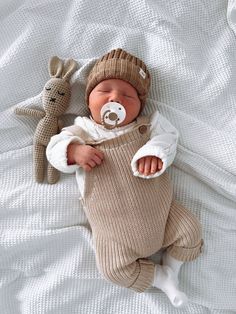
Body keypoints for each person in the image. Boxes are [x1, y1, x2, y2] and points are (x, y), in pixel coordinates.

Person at [46, 48, 203, 307]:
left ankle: (172, 270)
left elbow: (170, 138)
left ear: (140, 103)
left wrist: (155, 151)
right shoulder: (82, 129)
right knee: (112, 271)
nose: (115, 98)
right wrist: (73, 150)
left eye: (128, 94)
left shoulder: (148, 125)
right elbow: (53, 148)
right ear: (88, 100)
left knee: (190, 231)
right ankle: (160, 277)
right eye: (104, 90)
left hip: (163, 218)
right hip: (114, 233)